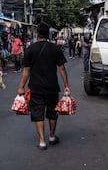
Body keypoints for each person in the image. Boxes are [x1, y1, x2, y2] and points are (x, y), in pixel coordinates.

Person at [17, 22, 70, 150]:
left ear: (37, 34)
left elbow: (26, 70)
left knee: (38, 113)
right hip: (52, 86)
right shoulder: (55, 48)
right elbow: (62, 68)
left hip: (36, 87)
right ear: (48, 34)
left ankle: (42, 141)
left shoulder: (31, 49)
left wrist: (21, 87)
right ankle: (51, 136)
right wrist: (66, 85)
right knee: (52, 112)